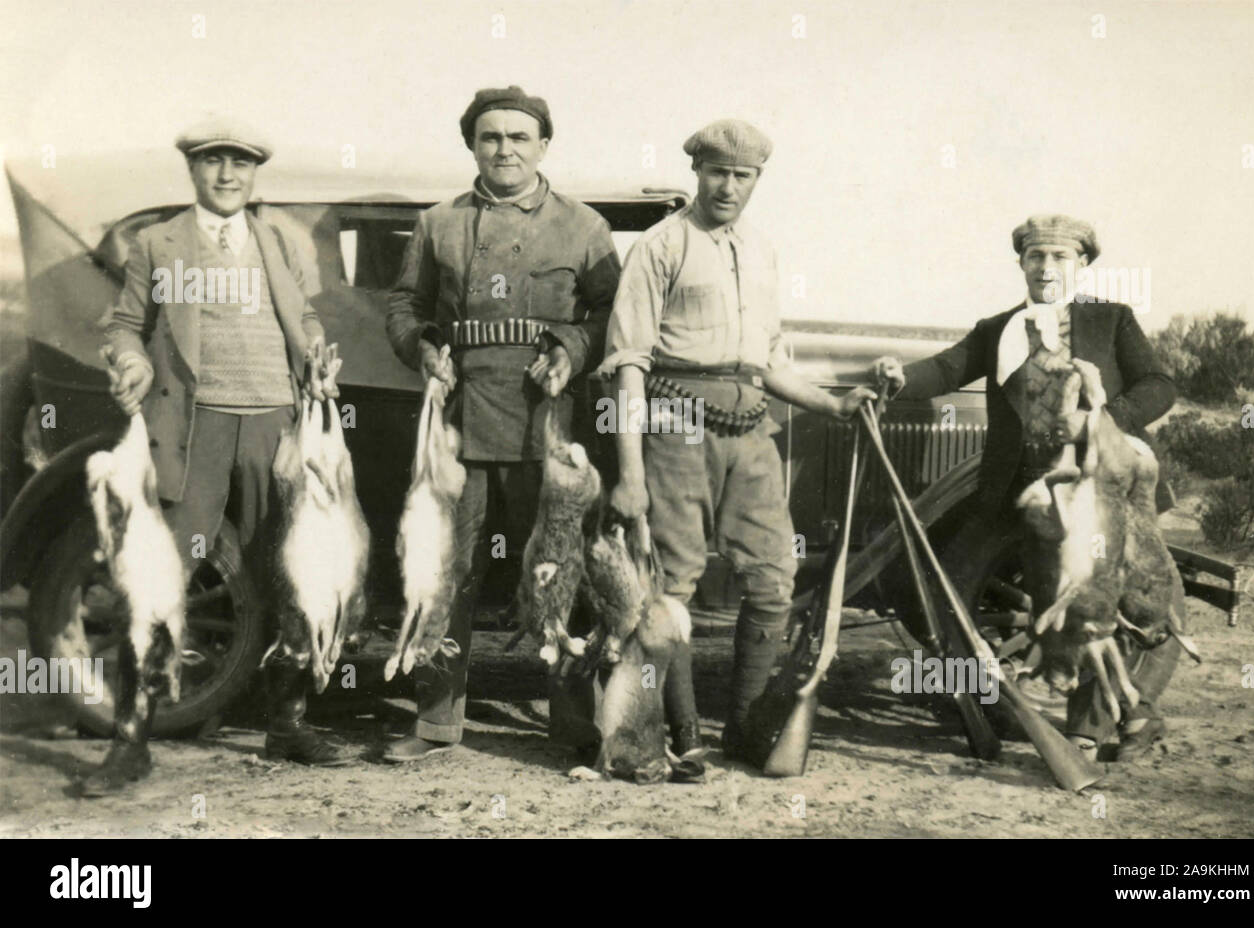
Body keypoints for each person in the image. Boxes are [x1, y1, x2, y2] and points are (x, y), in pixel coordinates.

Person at [600, 119, 894, 765]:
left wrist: (834, 402)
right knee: (671, 586)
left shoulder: (762, 250)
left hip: (752, 430)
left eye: (743, 176)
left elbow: (769, 363)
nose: (728, 187)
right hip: (675, 427)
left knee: (772, 580)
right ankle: (681, 740)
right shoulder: (661, 245)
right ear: (697, 173)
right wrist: (629, 474)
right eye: (717, 173)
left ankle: (746, 731)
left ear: (757, 179)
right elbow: (629, 363)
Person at [91, 117, 345, 796]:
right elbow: (121, 325)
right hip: (192, 430)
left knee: (291, 577)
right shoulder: (158, 243)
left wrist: (318, 357)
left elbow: (307, 322)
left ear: (255, 172)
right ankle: (129, 742)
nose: (227, 175)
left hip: (275, 428)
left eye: (240, 163)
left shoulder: (280, 240)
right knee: (156, 580)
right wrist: (132, 362)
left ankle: (286, 724)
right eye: (212, 162)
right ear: (192, 169)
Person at [383, 85, 621, 763]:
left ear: (544, 145)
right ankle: (435, 722)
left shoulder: (583, 226)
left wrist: (572, 351)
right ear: (472, 145)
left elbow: (611, 316)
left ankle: (575, 725)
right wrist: (424, 347)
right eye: (491, 137)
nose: (505, 148)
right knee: (447, 570)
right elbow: (404, 303)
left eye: (520, 136)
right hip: (458, 423)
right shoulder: (439, 224)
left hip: (547, 423)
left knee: (558, 568)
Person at [885, 214, 1179, 760]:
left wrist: (1104, 419)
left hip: (1097, 491)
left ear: (1082, 265)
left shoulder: (1112, 321)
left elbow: (1159, 386)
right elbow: (948, 369)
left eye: (1060, 258)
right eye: (1036, 257)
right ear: (1021, 263)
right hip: (1013, 492)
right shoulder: (997, 329)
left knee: (1105, 603)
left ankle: (1089, 731)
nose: (1046, 268)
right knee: (943, 592)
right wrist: (899, 376)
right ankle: (991, 702)